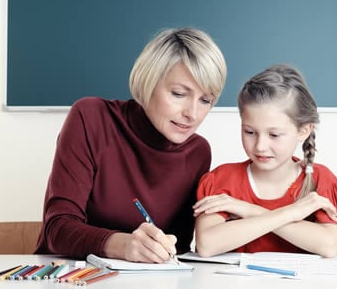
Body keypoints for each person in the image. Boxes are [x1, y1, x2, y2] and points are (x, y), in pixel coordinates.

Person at [35, 27, 227, 262]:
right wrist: (124, 246)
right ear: (148, 82)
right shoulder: (91, 117)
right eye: (178, 94)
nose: (193, 114)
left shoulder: (198, 152)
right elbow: (57, 229)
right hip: (69, 276)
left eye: (206, 100)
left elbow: (178, 247)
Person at [193, 64, 337, 258]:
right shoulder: (223, 179)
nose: (260, 146)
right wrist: (290, 214)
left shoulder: (321, 180)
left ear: (303, 131)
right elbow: (207, 244)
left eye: (274, 135)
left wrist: (248, 210)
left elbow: (329, 245)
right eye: (250, 132)